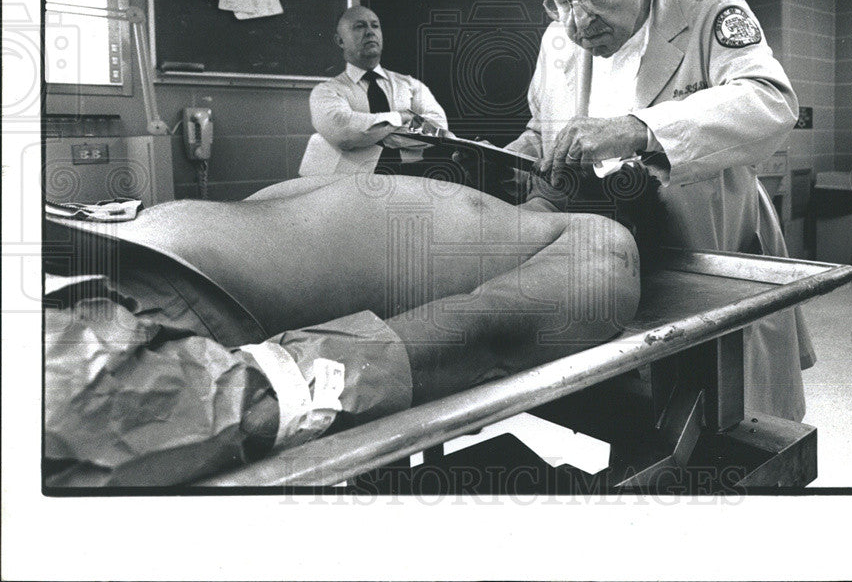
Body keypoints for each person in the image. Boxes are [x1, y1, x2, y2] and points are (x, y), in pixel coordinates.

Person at [44, 176, 640, 486]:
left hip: (114, 289)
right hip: (138, 314)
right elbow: (486, 326)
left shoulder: (576, 236)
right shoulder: (590, 239)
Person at [505, 0, 815, 421]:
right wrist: (513, 155)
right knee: (630, 416)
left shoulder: (710, 13)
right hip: (602, 258)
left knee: (729, 416)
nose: (577, 19)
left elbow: (772, 100)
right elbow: (545, 127)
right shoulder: (558, 40)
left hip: (705, 248)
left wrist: (638, 129)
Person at [299, 5, 451, 176]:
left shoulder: (409, 85)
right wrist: (400, 117)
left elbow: (438, 128)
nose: (370, 32)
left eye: (375, 25)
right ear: (340, 41)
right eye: (360, 26)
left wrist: (369, 135)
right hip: (349, 185)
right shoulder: (326, 92)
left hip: (406, 179)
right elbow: (343, 132)